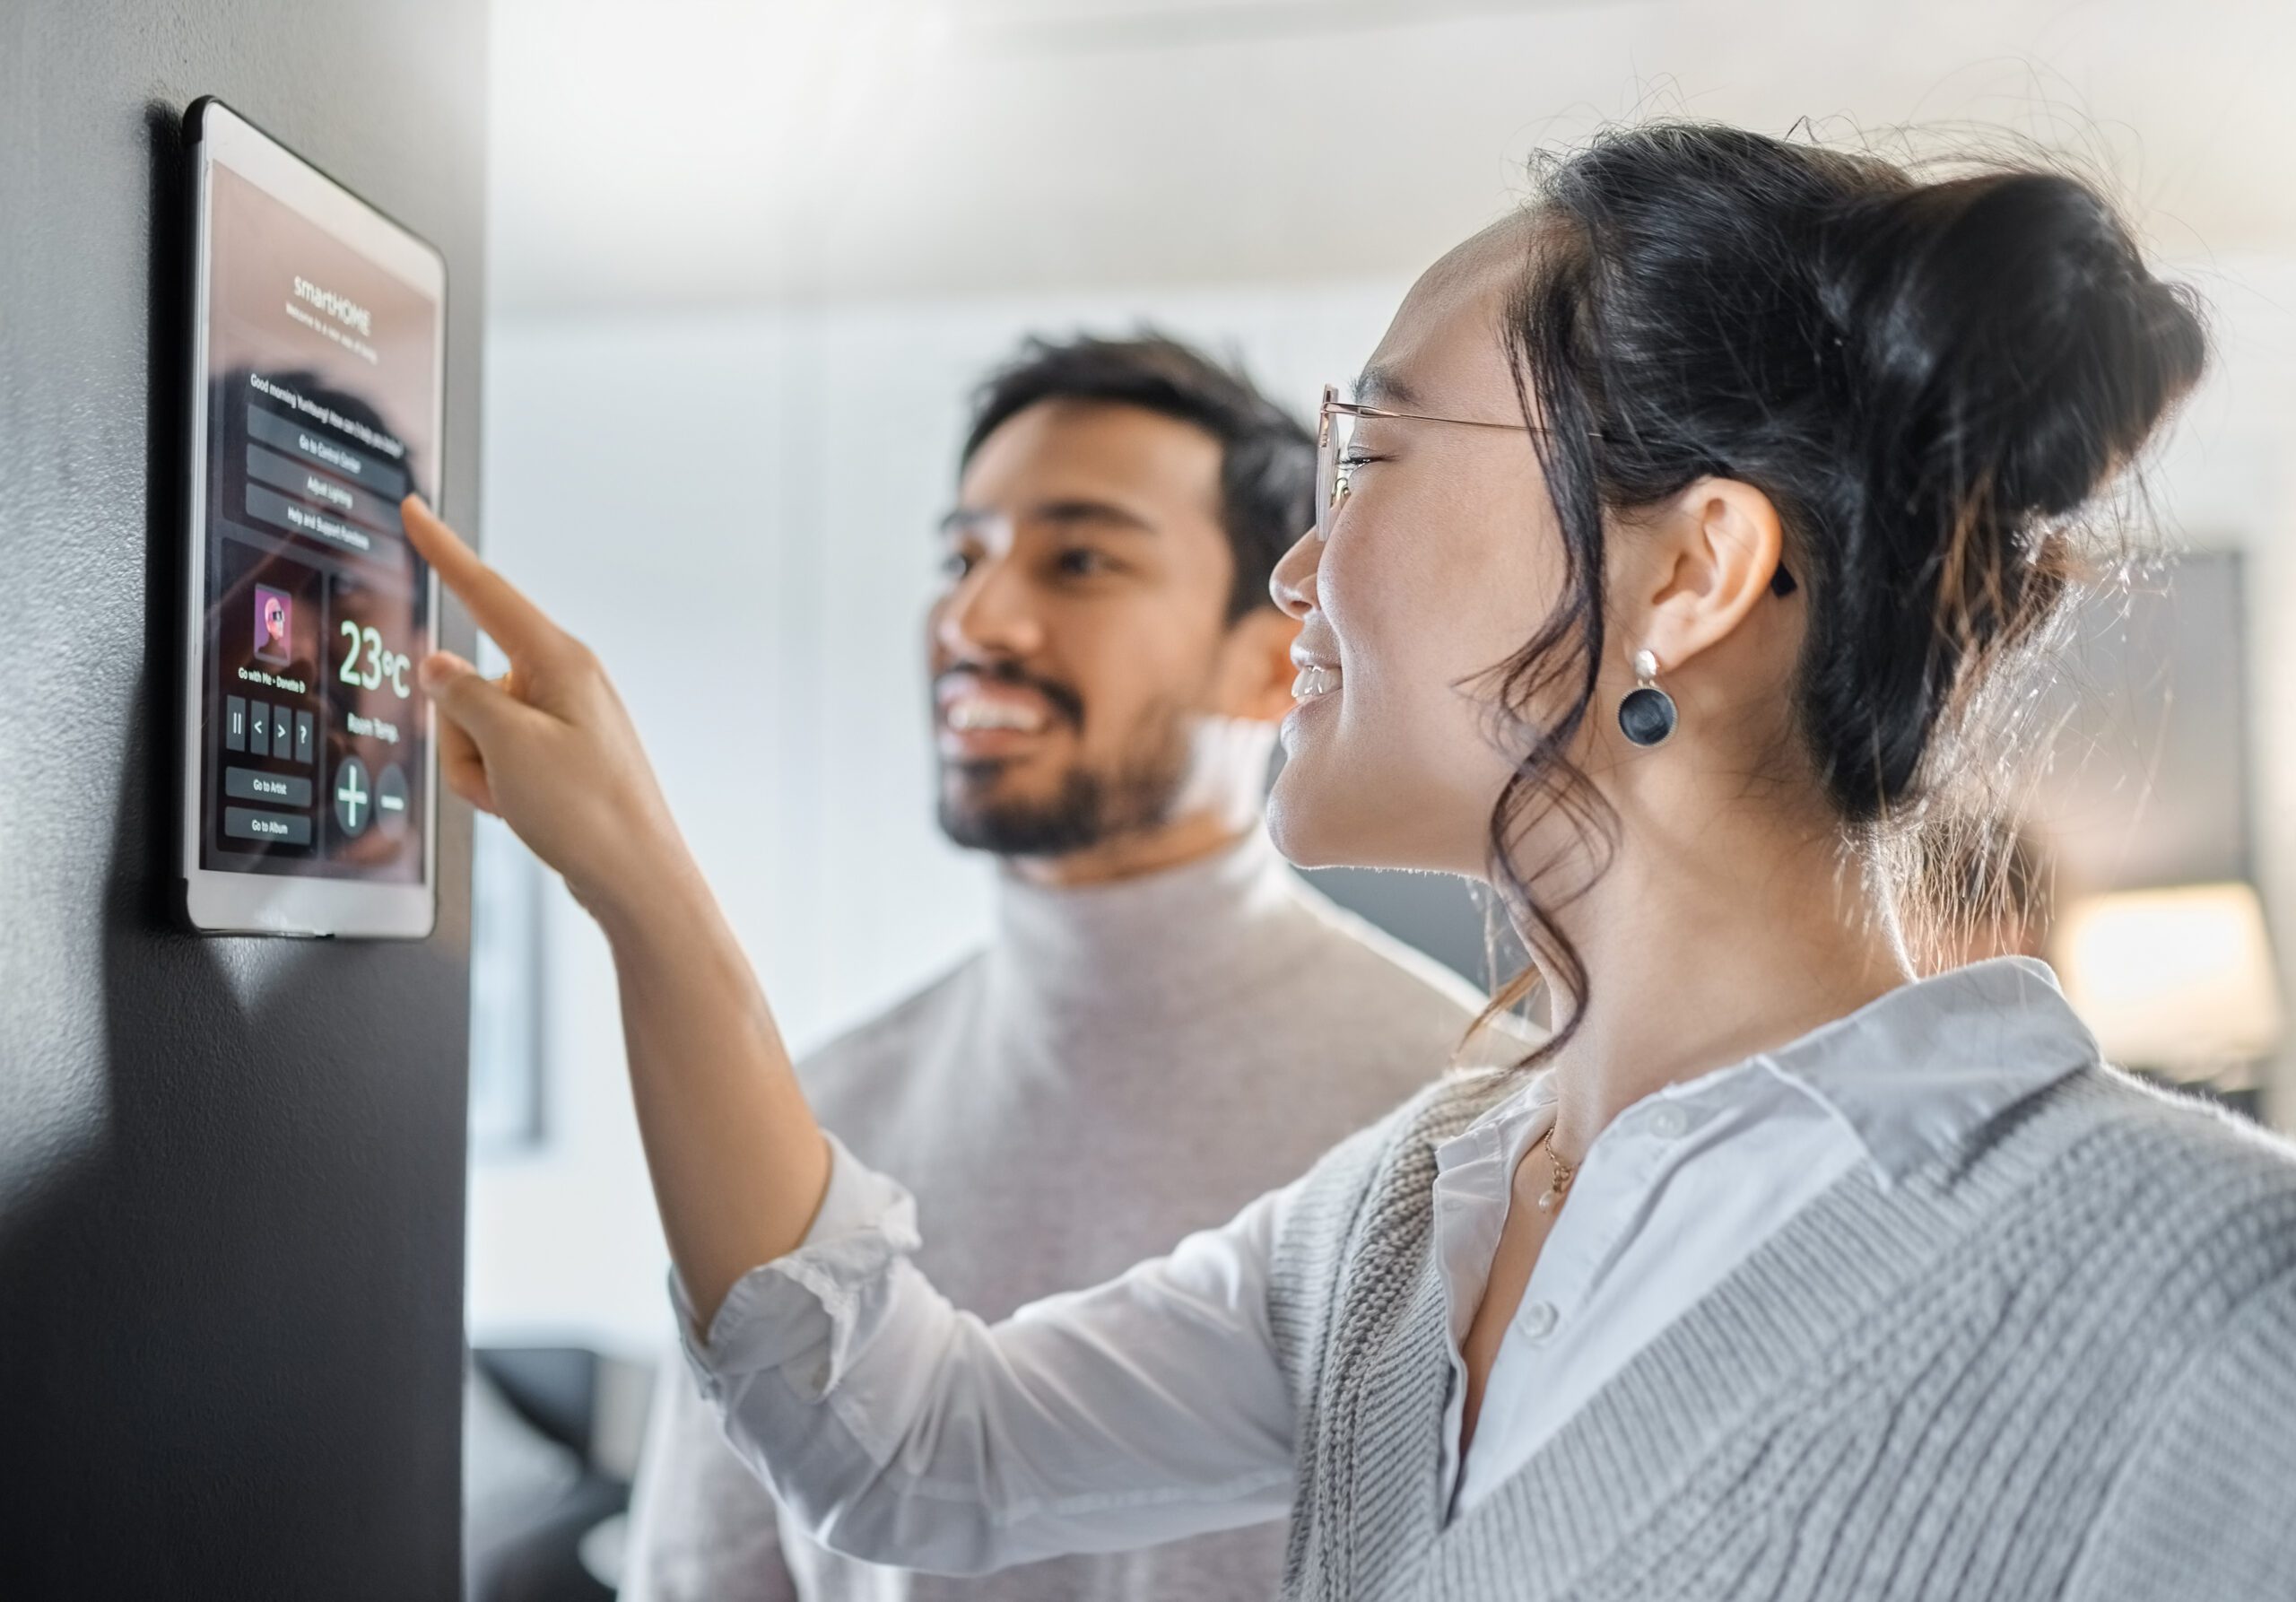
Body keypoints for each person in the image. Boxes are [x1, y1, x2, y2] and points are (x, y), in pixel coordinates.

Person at [405, 121, 2296, 1602]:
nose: (1295, 572)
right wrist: (639, 881)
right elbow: (905, 1438)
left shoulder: (2210, 1299)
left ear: (1695, 572)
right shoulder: (1409, 1217)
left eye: (1369, 459)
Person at [613, 335, 1507, 1601]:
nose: (975, 619)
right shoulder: (800, 1119)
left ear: (1274, 653)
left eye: (1080, 559)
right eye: (963, 555)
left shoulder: (1466, 1114)